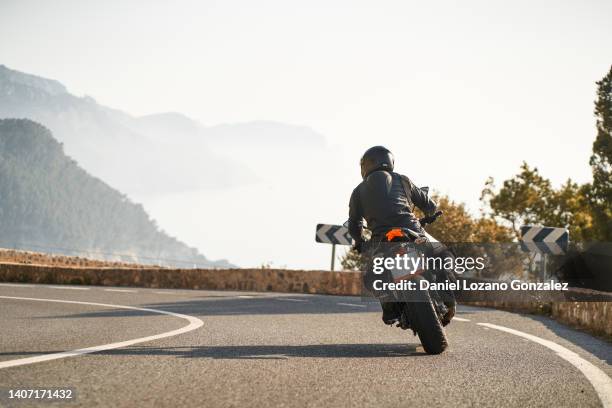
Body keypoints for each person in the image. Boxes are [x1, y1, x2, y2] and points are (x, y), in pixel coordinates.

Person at [348, 146, 453, 325]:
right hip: (412, 231)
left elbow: (354, 224)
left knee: (372, 276)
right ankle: (447, 295)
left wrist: (359, 241)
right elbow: (430, 205)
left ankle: (390, 309)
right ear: (390, 161)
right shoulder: (403, 180)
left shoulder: (358, 192)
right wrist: (429, 214)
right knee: (444, 255)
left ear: (365, 166)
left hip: (382, 241)